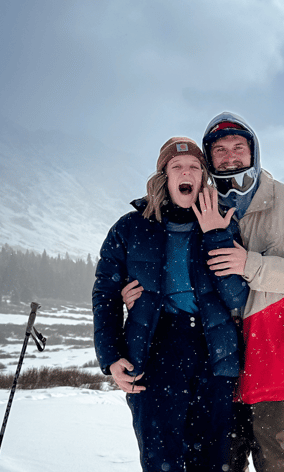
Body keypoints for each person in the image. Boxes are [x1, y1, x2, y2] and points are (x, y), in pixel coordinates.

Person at [124, 112, 284, 472]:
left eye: (239, 146)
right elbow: (173, 264)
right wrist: (143, 294)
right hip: (222, 361)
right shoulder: (200, 201)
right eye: (219, 150)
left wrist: (248, 264)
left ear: (254, 152)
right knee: (224, 462)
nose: (230, 156)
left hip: (278, 355)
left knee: (277, 462)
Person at [92, 137, 248, 472]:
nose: (186, 172)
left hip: (214, 355)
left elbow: (238, 297)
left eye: (194, 166)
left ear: (203, 177)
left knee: (215, 462)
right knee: (161, 461)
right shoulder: (129, 228)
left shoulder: (222, 224)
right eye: (177, 167)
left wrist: (215, 236)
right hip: (153, 353)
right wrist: (110, 356)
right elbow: (105, 292)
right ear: (164, 176)